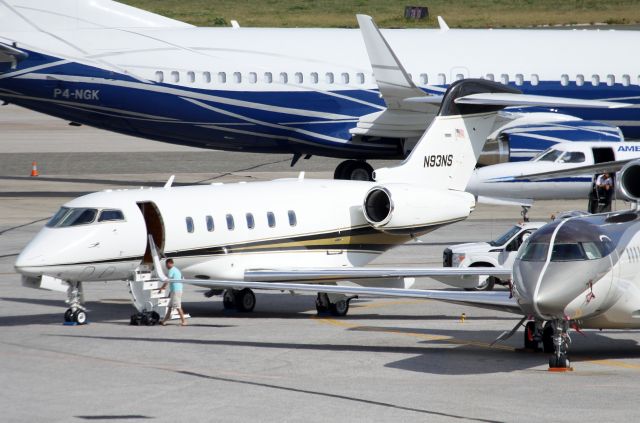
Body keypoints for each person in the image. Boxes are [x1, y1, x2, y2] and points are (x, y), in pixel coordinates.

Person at [159, 258, 187, 326]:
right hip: (175, 290)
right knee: (170, 307)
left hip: (176, 290)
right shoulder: (176, 270)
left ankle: (184, 321)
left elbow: (167, 280)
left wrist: (162, 288)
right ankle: (164, 321)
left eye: (167, 264)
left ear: (170, 263)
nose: (166, 266)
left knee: (178, 306)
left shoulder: (171, 270)